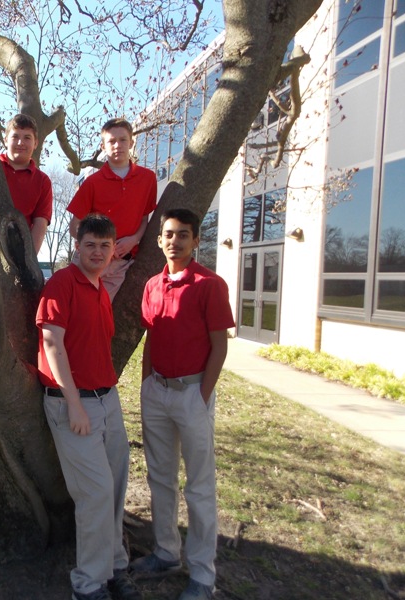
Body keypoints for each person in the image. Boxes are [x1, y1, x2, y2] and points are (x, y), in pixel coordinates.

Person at [36, 214, 142, 600]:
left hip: (107, 400)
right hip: (73, 403)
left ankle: (114, 566)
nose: (98, 252)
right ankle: (89, 583)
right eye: (90, 245)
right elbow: (52, 343)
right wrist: (73, 403)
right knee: (95, 492)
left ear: (114, 251)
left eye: (105, 246)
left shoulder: (99, 289)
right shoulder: (62, 283)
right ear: (77, 246)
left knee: (114, 487)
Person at [132, 208, 235, 600]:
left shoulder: (210, 285)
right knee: (160, 478)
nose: (175, 241)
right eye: (169, 234)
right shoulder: (151, 286)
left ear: (195, 241)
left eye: (183, 235)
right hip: (156, 392)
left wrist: (202, 395)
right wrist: (146, 385)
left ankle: (203, 576)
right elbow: (151, 339)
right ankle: (166, 553)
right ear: (159, 240)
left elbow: (219, 345)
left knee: (199, 486)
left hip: (192, 394)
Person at [67, 117, 157, 301]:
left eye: (123, 140)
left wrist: (134, 239)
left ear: (131, 142)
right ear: (103, 146)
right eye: (111, 141)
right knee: (74, 307)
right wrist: (100, 246)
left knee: (101, 311)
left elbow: (144, 218)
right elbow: (74, 227)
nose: (118, 145)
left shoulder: (148, 178)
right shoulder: (92, 182)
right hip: (89, 261)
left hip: (120, 263)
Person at [0, 113, 53, 254]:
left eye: (27, 138)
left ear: (36, 143)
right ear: (5, 140)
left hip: (18, 251)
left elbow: (40, 224)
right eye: (15, 137)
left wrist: (30, 260)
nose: (20, 143)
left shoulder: (42, 181)